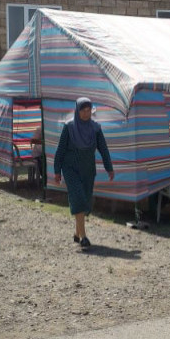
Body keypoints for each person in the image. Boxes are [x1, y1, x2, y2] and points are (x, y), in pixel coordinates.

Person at [53, 97, 115, 248]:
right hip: (71, 169)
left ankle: (76, 232)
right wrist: (57, 171)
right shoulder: (69, 127)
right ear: (77, 111)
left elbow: (103, 149)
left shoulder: (95, 128)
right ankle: (84, 238)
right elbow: (60, 150)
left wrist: (109, 167)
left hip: (88, 170)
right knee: (78, 198)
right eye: (83, 111)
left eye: (89, 111)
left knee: (85, 201)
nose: (86, 114)